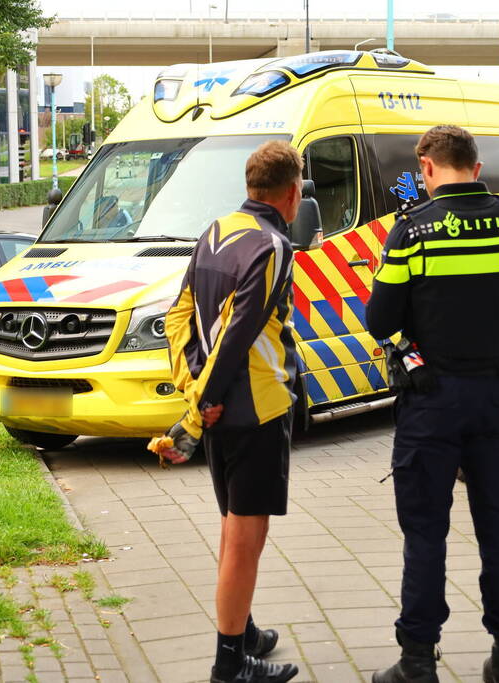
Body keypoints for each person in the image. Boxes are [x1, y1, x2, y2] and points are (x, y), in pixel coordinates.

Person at [366, 125, 499, 683]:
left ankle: (416, 662)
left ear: (426, 170)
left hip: (431, 399)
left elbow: (380, 322)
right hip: (497, 396)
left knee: (425, 531)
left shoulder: (412, 232)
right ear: (476, 168)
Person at [155, 140, 302, 683]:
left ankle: (243, 632)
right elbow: (238, 337)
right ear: (292, 194)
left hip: (219, 408)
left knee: (232, 529)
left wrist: (194, 386)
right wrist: (203, 405)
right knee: (246, 539)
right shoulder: (273, 245)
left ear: (249, 186)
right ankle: (229, 664)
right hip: (255, 410)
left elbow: (179, 317)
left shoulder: (216, 231)